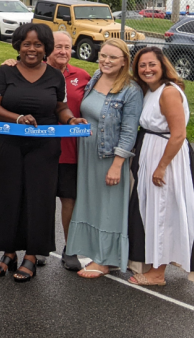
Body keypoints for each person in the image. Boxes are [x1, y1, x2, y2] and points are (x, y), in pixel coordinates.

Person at [0, 23, 86, 282]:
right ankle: (9, 252)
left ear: (46, 48)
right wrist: (17, 118)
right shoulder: (4, 71)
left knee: (38, 199)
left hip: (44, 146)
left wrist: (71, 120)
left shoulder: (55, 76)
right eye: (27, 43)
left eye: (38, 44)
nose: (32, 49)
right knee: (8, 196)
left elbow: (61, 108)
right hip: (10, 142)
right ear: (18, 45)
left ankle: (31, 254)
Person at [127, 47, 194, 286]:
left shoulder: (169, 93)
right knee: (153, 210)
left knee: (162, 212)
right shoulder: (150, 90)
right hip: (152, 152)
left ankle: (157, 273)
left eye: (152, 64)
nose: (147, 69)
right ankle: (156, 264)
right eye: (142, 65)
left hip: (167, 158)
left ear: (163, 66)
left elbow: (178, 134)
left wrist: (161, 166)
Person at [65, 39, 142, 278]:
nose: (106, 61)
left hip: (109, 157)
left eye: (113, 58)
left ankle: (106, 260)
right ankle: (93, 253)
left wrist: (117, 165)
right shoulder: (96, 76)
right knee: (90, 204)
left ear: (124, 62)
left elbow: (129, 131)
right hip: (86, 154)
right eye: (103, 56)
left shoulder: (131, 89)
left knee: (109, 209)